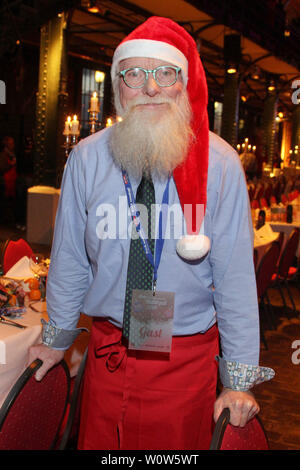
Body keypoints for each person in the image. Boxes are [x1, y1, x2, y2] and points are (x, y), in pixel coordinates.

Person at [28, 17, 274, 450]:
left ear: (183, 83)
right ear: (118, 87)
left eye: (164, 73)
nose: (150, 88)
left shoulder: (220, 164)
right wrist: (57, 339)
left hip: (185, 365)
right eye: (134, 74)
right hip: (107, 356)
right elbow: (69, 258)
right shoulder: (87, 159)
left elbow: (235, 280)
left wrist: (238, 380)